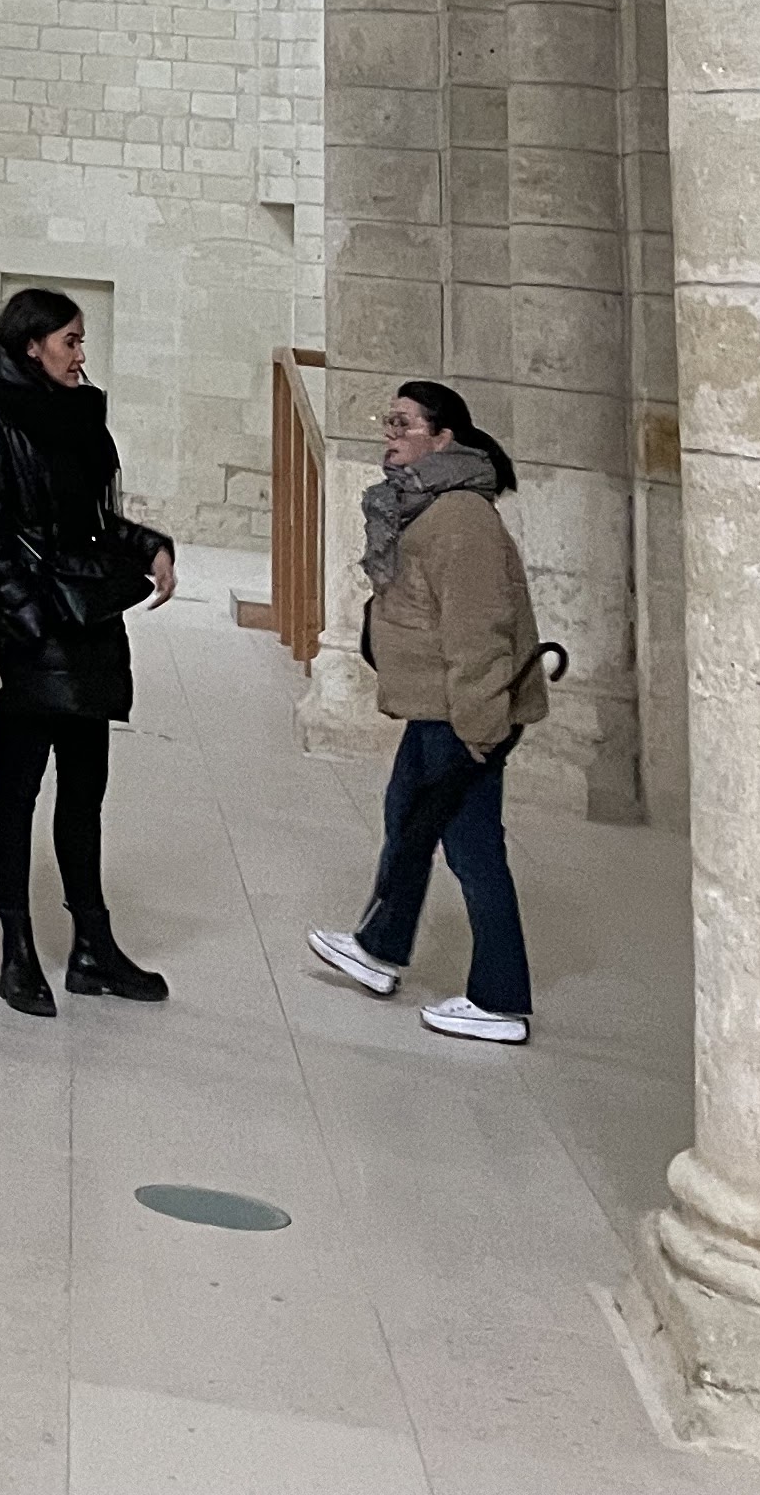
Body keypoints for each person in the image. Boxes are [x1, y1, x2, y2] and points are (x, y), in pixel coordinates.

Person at [0, 286, 176, 1015]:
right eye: (70, 341)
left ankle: (93, 947)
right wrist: (32, 627)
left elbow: (92, 524)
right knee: (17, 787)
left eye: (82, 341)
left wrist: (149, 547)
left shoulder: (81, 419)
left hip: (86, 630)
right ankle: (16, 949)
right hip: (32, 640)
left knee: (85, 790)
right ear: (31, 346)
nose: (81, 355)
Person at [308, 379, 549, 1043]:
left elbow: (480, 630)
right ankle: (379, 948)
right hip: (434, 707)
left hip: (463, 713)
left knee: (473, 849)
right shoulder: (426, 506)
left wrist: (480, 729)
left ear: (443, 440)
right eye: (388, 421)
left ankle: (500, 1002)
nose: (390, 434)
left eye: (404, 424)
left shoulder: (462, 517)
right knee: (406, 821)